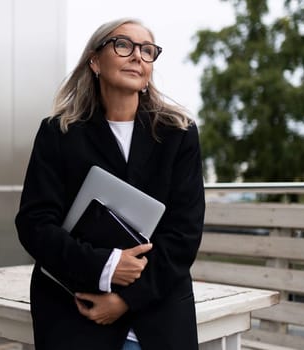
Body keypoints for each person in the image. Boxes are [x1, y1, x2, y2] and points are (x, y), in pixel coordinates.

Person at [15, 18, 205, 350]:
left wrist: (126, 300)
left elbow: (184, 234)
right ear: (94, 61)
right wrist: (106, 267)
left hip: (158, 310)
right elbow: (35, 225)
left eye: (147, 51)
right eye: (123, 45)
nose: (137, 56)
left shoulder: (179, 133)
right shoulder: (57, 133)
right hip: (75, 306)